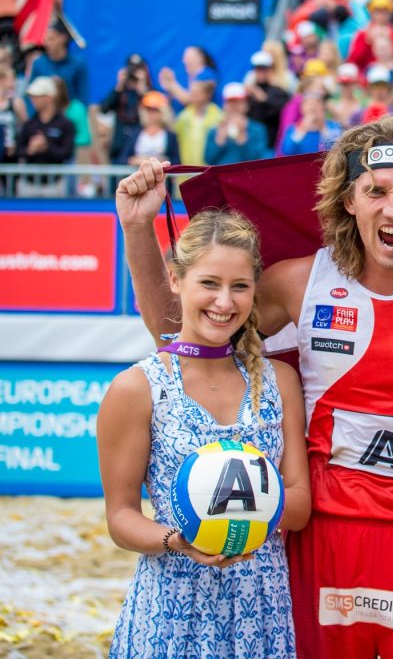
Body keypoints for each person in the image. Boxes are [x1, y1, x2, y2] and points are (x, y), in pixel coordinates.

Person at [117, 118, 393, 657]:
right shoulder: (303, 281)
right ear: (350, 200)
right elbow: (182, 337)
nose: (392, 209)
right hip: (323, 538)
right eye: (376, 191)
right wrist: (138, 232)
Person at [98, 209, 311, 658]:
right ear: (176, 280)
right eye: (209, 283)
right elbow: (120, 517)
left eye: (240, 287)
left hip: (262, 609)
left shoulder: (279, 380)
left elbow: (300, 506)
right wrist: (179, 539)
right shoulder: (137, 387)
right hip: (170, 610)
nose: (224, 302)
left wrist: (243, 504)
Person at [204, 83, 271, 165]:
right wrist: (219, 141)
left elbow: (258, 160)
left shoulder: (258, 129)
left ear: (246, 105)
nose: (234, 106)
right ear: (224, 105)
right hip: (222, 177)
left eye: (238, 102)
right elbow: (208, 160)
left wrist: (242, 137)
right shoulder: (215, 130)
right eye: (230, 102)